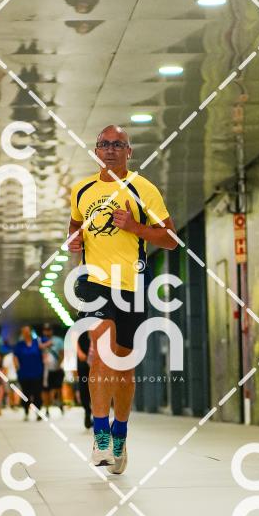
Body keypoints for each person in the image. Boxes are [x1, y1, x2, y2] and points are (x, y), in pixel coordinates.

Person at [68, 124, 177, 473]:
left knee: (124, 367)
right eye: (104, 144)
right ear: (96, 151)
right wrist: (74, 241)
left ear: (129, 151)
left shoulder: (144, 189)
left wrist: (135, 227)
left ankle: (120, 433)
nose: (111, 149)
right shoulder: (81, 189)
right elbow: (74, 226)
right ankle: (100, 436)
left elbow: (170, 238)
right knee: (102, 353)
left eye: (118, 144)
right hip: (94, 282)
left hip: (131, 285)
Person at [14, 326, 44, 421]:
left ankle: (38, 412)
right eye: (24, 332)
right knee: (26, 394)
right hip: (24, 373)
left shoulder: (37, 342)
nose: (26, 333)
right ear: (22, 333)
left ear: (31, 332)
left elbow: (50, 343)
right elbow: (15, 357)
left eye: (28, 331)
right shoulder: (20, 345)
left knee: (37, 394)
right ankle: (26, 412)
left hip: (37, 372)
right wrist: (17, 367)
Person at [40, 323, 64, 416]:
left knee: (58, 388)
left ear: (52, 331)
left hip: (57, 369)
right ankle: (47, 409)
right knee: (46, 390)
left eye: (49, 330)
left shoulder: (58, 340)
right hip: (46, 370)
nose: (47, 332)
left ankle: (60, 404)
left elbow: (62, 353)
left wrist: (59, 364)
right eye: (45, 330)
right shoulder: (40, 341)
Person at [76, 329, 92, 429]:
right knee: (84, 388)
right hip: (83, 361)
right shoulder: (80, 324)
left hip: (97, 360)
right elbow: (74, 337)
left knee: (98, 388)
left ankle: (98, 415)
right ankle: (87, 411)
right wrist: (79, 352)